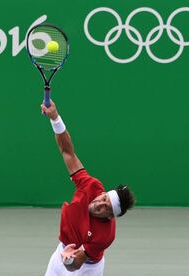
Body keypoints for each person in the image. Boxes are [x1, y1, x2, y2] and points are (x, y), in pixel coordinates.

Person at [42, 100, 135, 276]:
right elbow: (68, 152)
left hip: (86, 268)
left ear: (109, 217)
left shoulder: (105, 236)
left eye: (105, 208)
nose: (99, 203)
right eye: (104, 198)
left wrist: (69, 259)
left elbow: (75, 265)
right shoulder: (91, 186)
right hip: (61, 252)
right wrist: (55, 118)